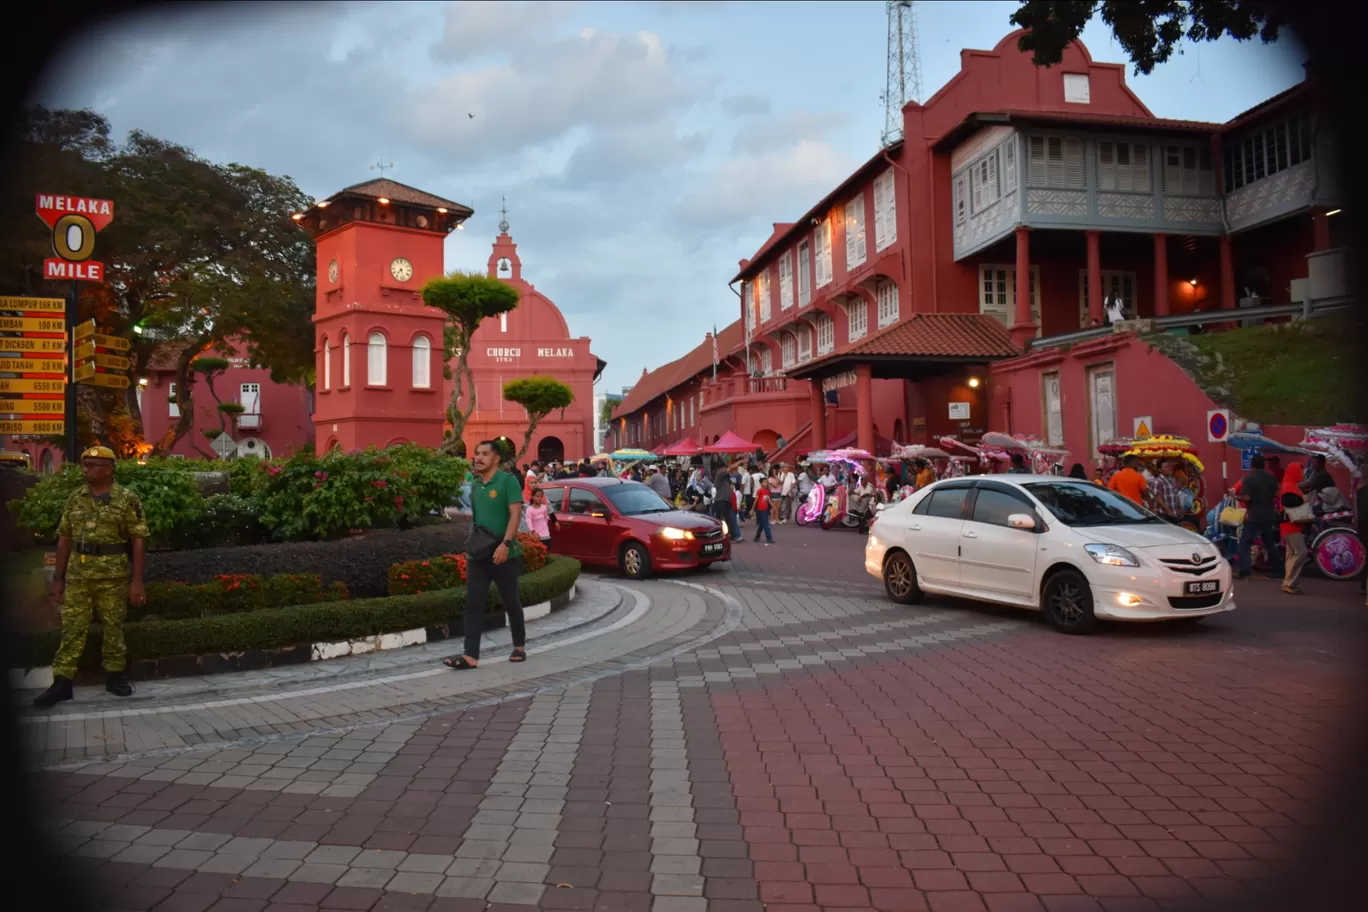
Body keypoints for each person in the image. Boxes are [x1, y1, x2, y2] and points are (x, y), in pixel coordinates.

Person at [32, 446, 149, 708]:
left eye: (91, 465)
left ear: (108, 468)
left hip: (113, 575)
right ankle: (62, 681)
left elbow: (138, 541)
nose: (85, 470)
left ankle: (115, 676)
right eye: (85, 465)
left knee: (113, 626)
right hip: (78, 576)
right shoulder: (76, 498)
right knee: (72, 627)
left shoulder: (127, 499)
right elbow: (64, 539)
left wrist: (137, 581)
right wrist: (58, 579)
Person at [443, 440, 527, 671]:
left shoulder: (508, 481)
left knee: (511, 602)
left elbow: (515, 515)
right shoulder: (476, 485)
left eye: (484, 454)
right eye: (476, 453)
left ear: (496, 458)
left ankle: (519, 646)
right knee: (473, 602)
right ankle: (471, 655)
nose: (478, 458)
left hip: (504, 554)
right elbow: (477, 521)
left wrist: (506, 544)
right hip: (478, 553)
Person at [1235, 453, 1281, 581]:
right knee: (1269, 544)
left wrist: (1237, 497)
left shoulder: (1249, 479)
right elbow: (1278, 494)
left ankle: (1245, 571)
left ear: (1252, 465)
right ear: (1263, 465)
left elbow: (1247, 498)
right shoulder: (1271, 478)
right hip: (1269, 515)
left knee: (1244, 543)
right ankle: (1279, 570)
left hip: (1254, 516)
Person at [1278, 462, 1311, 594]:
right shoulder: (1289, 487)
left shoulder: (1290, 485)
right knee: (1301, 552)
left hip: (1289, 525)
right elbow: (1289, 502)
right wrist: (1303, 499)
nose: (1302, 473)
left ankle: (1287, 582)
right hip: (1290, 525)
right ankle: (1289, 582)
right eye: (1301, 471)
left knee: (1292, 554)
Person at [712, 459, 741, 542]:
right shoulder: (719, 474)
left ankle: (730, 536)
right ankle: (721, 536)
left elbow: (732, 485)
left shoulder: (726, 479)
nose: (725, 470)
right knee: (722, 519)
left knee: (728, 519)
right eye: (724, 468)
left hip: (726, 501)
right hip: (721, 500)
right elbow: (731, 468)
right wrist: (740, 461)